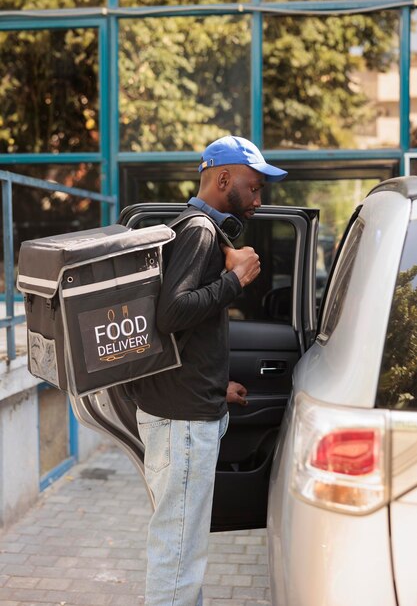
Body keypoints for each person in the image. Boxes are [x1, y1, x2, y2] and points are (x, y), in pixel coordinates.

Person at [126, 135, 287, 606]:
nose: (257, 199)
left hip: (186, 411)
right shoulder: (198, 230)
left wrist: (220, 388)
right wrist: (235, 280)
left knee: (181, 547)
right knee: (178, 554)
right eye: (253, 187)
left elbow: (185, 336)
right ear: (222, 178)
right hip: (182, 425)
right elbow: (172, 314)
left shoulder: (197, 228)